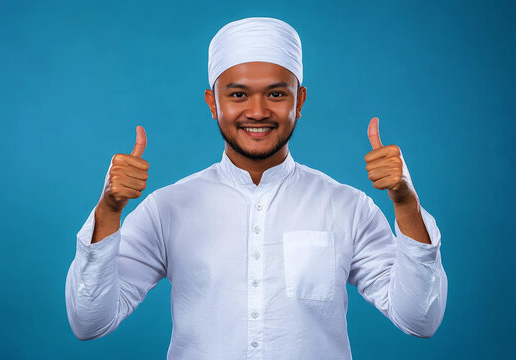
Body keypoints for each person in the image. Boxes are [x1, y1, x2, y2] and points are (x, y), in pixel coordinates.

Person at [65, 16, 447, 359]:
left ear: (300, 101)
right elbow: (89, 322)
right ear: (213, 103)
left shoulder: (348, 206)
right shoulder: (168, 207)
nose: (259, 111)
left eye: (277, 94)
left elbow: (419, 319)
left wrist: (405, 205)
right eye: (238, 94)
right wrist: (109, 210)